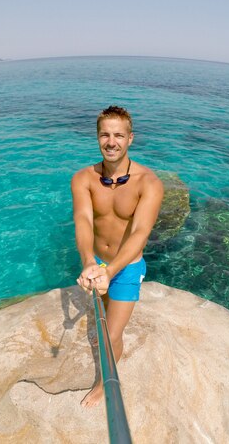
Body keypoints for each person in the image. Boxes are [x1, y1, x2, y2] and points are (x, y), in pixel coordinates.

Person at [71, 105, 164, 408]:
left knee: (109, 335)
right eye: (105, 135)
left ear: (130, 139)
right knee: (107, 325)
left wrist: (110, 272)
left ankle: (104, 384)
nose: (111, 142)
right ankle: (111, 360)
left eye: (119, 136)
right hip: (96, 264)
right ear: (98, 137)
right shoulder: (83, 178)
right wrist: (88, 261)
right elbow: (83, 221)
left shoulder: (148, 183)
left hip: (125, 268)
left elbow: (139, 233)